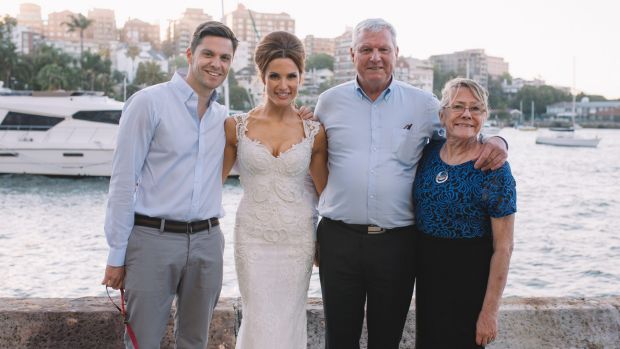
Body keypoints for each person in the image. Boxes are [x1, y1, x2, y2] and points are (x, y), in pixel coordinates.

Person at [313, 18, 508, 349]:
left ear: (396, 53)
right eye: (366, 49)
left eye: (383, 49)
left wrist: (500, 141)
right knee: (339, 339)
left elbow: (461, 130)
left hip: (397, 244)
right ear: (352, 53)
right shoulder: (328, 102)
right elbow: (310, 158)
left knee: (386, 339)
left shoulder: (423, 104)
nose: (375, 56)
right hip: (338, 239)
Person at [100, 21, 238, 349]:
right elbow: (122, 182)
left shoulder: (224, 117)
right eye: (208, 54)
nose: (216, 64)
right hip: (152, 241)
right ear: (190, 54)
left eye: (225, 57)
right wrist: (116, 254)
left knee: (195, 341)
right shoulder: (149, 103)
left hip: (207, 242)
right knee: (142, 341)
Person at [222, 31, 328, 348]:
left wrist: (326, 240)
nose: (284, 85)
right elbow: (208, 185)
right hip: (252, 237)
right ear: (262, 77)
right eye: (275, 76)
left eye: (291, 76)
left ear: (301, 77)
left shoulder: (314, 131)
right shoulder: (236, 127)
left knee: (290, 318)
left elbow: (327, 195)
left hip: (298, 240)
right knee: (258, 318)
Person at [413, 78, 516, 349]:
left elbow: (503, 248)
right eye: (458, 106)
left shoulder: (494, 168)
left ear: (484, 116)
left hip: (470, 286)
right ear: (442, 115)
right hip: (428, 283)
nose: (467, 114)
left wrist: (489, 313)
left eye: (476, 108)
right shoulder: (427, 154)